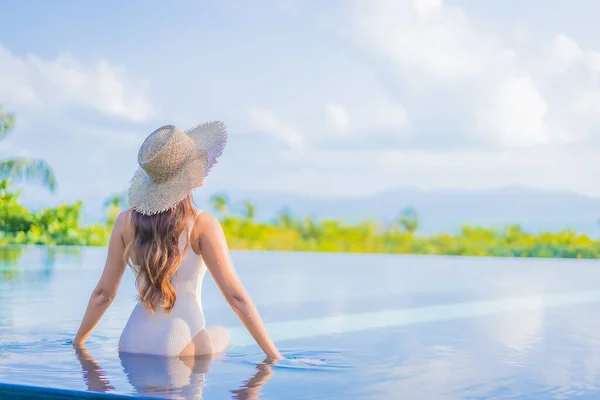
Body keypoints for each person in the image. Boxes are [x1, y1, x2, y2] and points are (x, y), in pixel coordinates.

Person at [73, 122, 282, 360]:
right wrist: (274, 357)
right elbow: (236, 299)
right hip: (179, 344)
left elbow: (103, 294)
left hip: (132, 342)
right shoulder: (203, 224)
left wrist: (78, 343)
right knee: (222, 334)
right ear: (187, 173)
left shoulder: (125, 221)